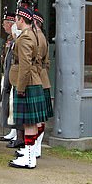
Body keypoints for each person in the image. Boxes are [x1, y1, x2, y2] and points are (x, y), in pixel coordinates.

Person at [8, 6, 48, 169]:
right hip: (33, 80)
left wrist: (21, 87)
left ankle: (29, 159)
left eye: (16, 19)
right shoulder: (34, 35)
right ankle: (29, 156)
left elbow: (25, 65)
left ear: (21, 20)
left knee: (29, 123)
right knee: (30, 122)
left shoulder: (25, 38)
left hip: (27, 83)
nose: (15, 22)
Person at [0, 7, 24, 148]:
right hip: (8, 74)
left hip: (15, 77)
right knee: (8, 104)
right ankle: (13, 130)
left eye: (5, 24)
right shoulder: (10, 38)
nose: (4, 27)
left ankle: (16, 131)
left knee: (13, 105)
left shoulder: (18, 38)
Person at [33, 10, 52, 158]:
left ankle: (36, 148)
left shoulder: (38, 37)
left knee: (37, 118)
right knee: (39, 117)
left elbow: (36, 60)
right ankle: (35, 147)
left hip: (38, 79)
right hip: (41, 79)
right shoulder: (40, 36)